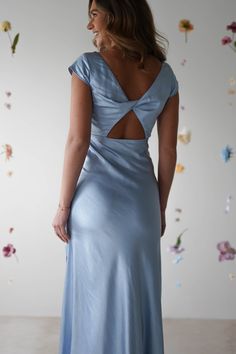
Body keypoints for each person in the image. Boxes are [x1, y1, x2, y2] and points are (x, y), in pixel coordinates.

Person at [52, 0, 179, 353]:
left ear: (117, 14)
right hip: (142, 204)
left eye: (94, 14)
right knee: (136, 297)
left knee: (94, 299)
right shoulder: (165, 75)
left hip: (96, 203)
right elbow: (168, 153)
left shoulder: (89, 67)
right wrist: (160, 209)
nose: (90, 25)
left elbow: (78, 141)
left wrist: (63, 206)